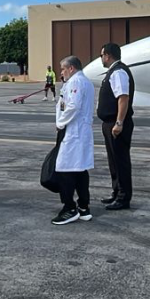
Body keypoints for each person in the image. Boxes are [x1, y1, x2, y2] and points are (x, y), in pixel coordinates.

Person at [51, 55, 95, 225]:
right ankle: (84, 207)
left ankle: (69, 207)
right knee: (80, 169)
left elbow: (73, 106)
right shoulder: (84, 82)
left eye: (63, 69)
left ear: (71, 68)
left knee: (65, 169)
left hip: (73, 131)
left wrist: (60, 123)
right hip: (80, 132)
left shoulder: (76, 82)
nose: (61, 72)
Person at [96, 43, 135, 211]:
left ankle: (123, 197)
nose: (101, 58)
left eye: (101, 55)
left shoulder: (118, 72)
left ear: (108, 55)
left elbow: (123, 98)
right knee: (113, 161)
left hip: (116, 124)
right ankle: (117, 192)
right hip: (110, 123)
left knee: (120, 162)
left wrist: (119, 122)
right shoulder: (113, 71)